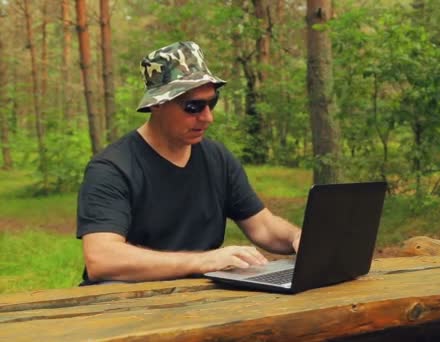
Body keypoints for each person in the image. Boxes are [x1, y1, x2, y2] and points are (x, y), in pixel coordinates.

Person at [76, 41, 301, 285]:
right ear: (157, 104)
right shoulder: (112, 168)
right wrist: (203, 261)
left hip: (200, 297)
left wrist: (297, 237)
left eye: (211, 103)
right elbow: (102, 259)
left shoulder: (217, 159)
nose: (207, 117)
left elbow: (263, 227)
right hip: (128, 303)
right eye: (193, 106)